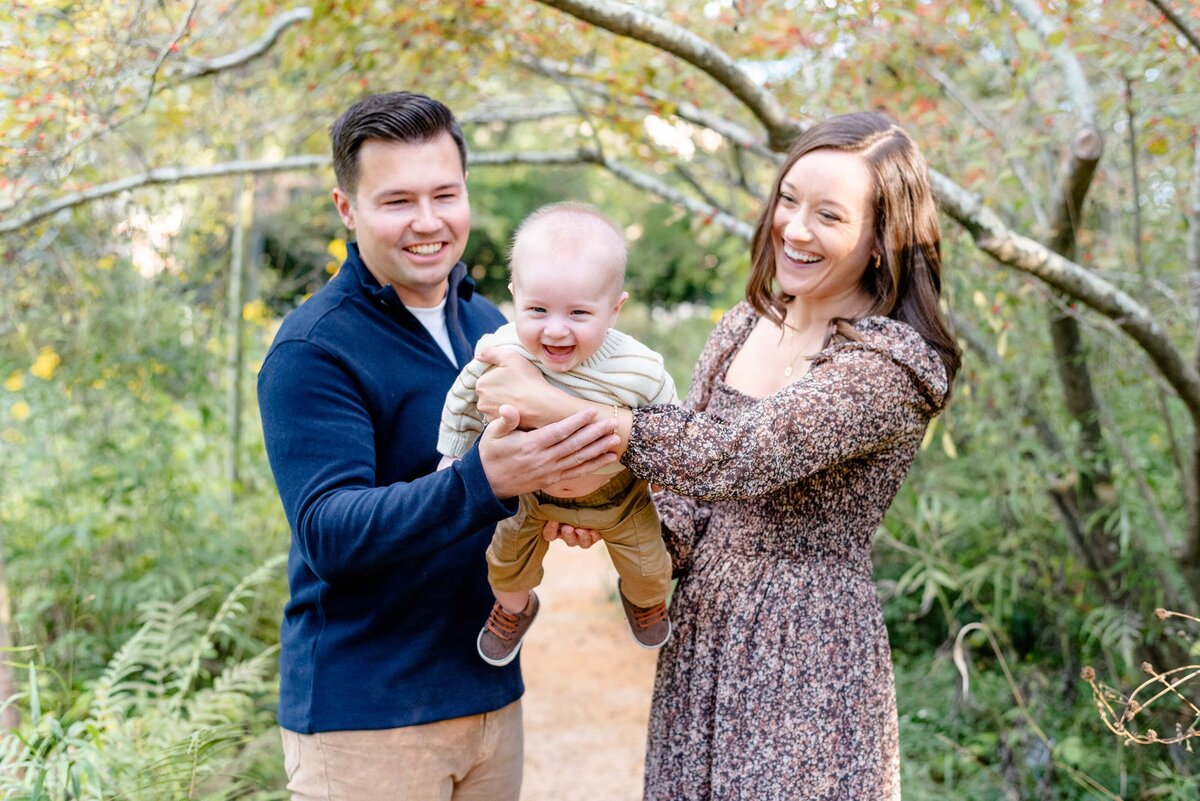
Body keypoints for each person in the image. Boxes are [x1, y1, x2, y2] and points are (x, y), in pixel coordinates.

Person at [473, 111, 962, 799]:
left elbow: (739, 457)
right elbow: (684, 492)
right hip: (701, 629)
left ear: (881, 241)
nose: (794, 228)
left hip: (806, 646)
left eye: (828, 215)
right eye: (788, 200)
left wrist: (557, 405)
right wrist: (609, 518)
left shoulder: (887, 366)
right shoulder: (743, 325)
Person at [256, 92, 620, 801]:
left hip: (489, 695)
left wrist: (568, 501)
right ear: (346, 208)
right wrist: (483, 480)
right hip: (366, 721)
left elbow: (521, 482)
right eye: (397, 201)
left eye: (445, 194)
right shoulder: (313, 348)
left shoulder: (492, 324)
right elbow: (329, 532)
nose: (428, 221)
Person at [437, 201, 679, 666]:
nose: (555, 330)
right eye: (537, 309)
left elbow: (670, 423)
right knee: (504, 565)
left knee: (650, 568)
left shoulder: (639, 368)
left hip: (619, 495)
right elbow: (464, 396)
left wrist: (665, 477)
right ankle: (516, 608)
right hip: (529, 494)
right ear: (514, 297)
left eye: (578, 313)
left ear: (614, 309)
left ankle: (644, 600)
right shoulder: (504, 350)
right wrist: (452, 453)